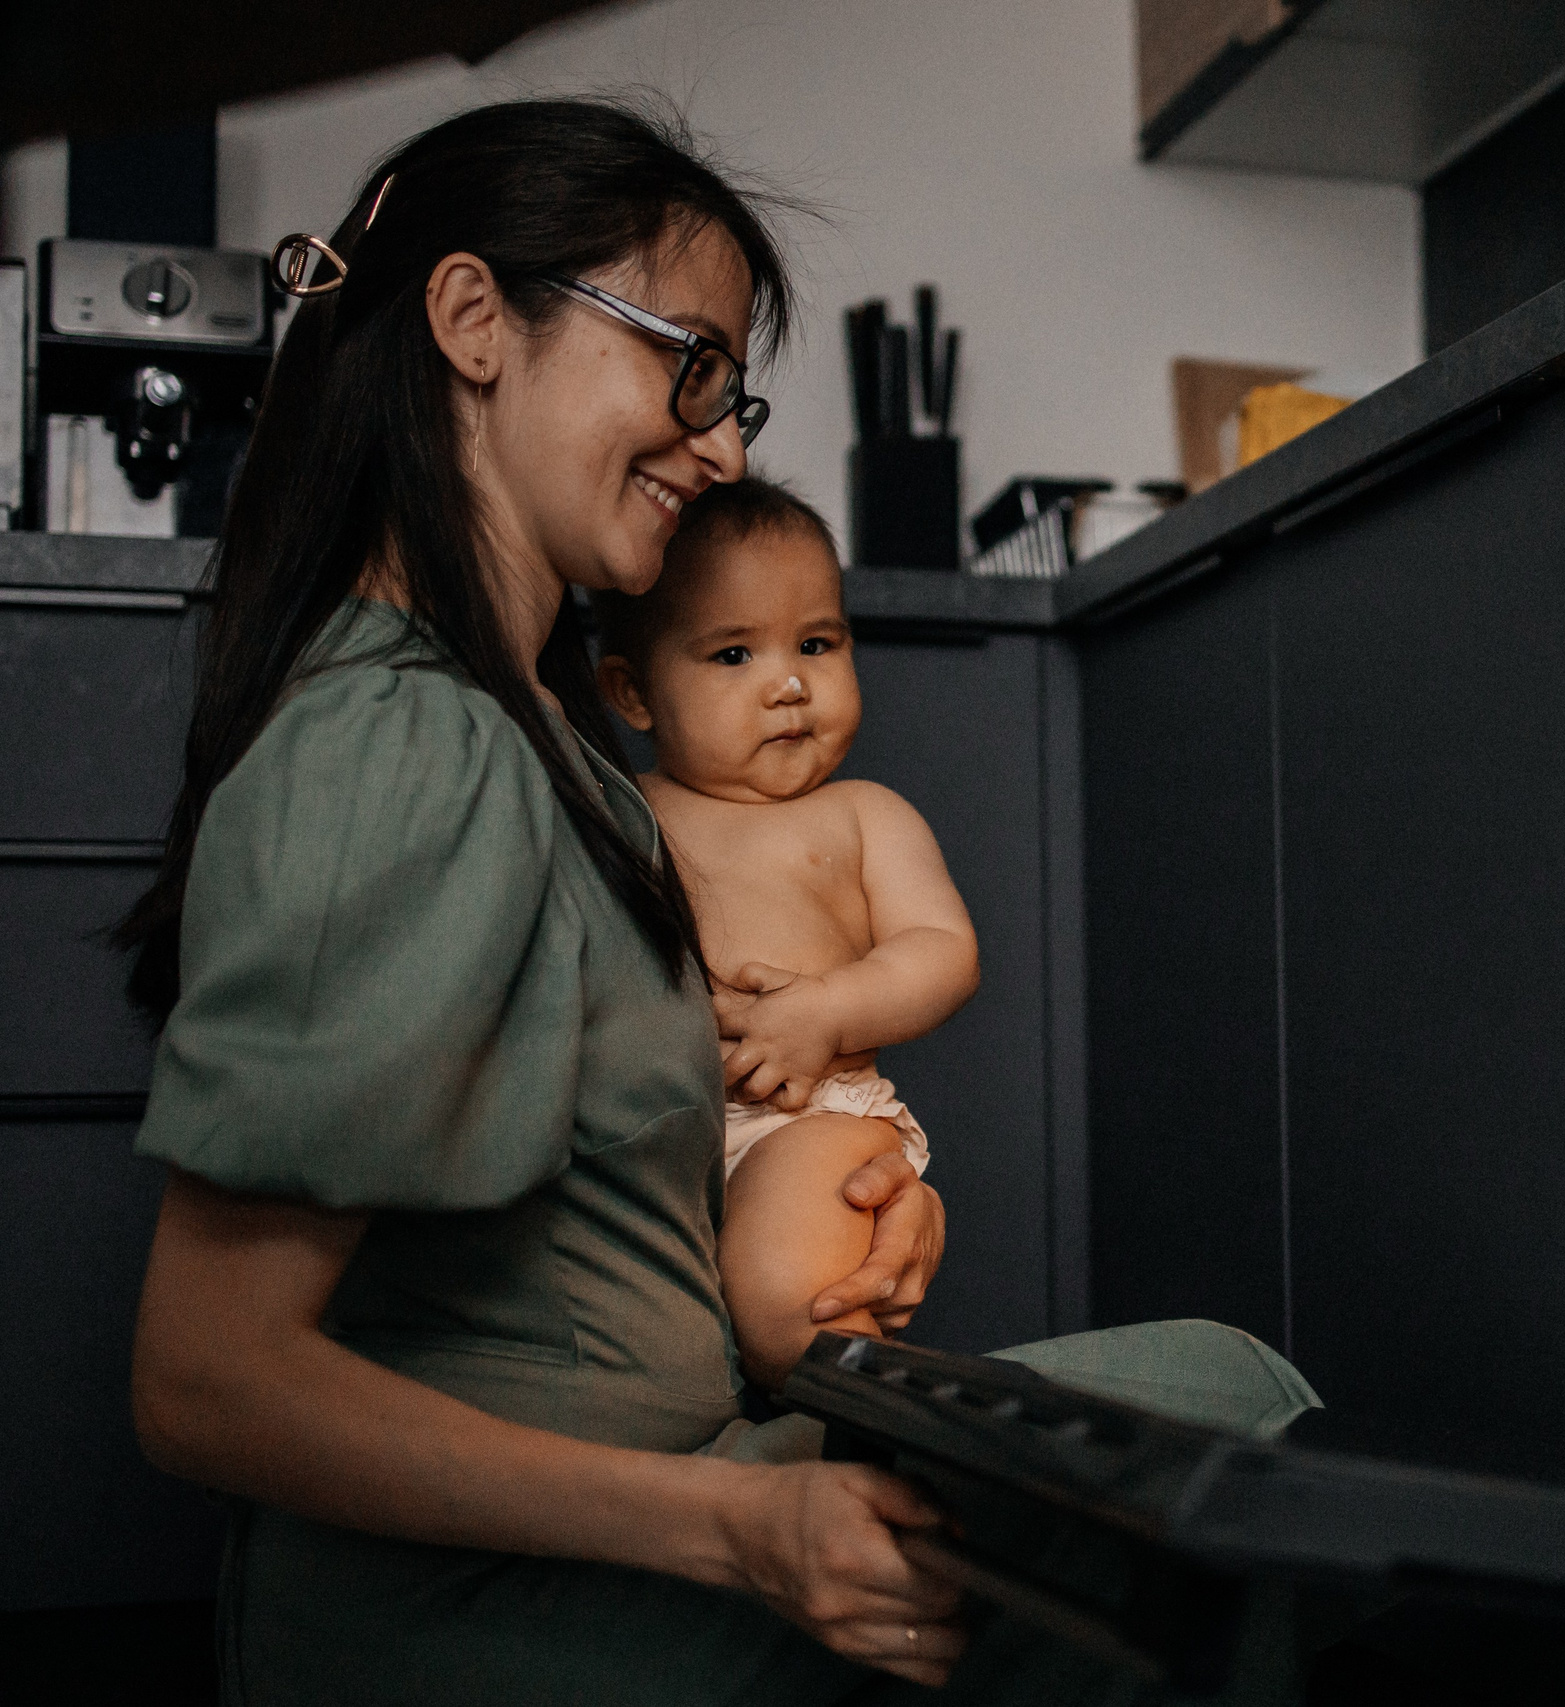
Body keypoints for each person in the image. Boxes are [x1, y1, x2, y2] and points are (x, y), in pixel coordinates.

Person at [116, 99, 1314, 1706]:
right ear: (474, 322)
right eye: (685, 364)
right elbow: (207, 1386)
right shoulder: (406, 741)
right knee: (1237, 1445)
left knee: (1222, 1395)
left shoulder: (542, 735)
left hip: (671, 1477)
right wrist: (745, 1525)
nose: (728, 443)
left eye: (730, 389)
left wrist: (855, 1227)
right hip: (501, 1598)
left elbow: (603, 1206)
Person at [593, 477, 974, 1391]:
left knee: (784, 1304)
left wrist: (829, 1011)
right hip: (660, 1135)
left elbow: (943, 949)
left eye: (816, 643)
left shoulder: (861, 816)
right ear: (634, 691)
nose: (790, 683)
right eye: (733, 655)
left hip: (809, 1124)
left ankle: (899, 1421)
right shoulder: (619, 812)